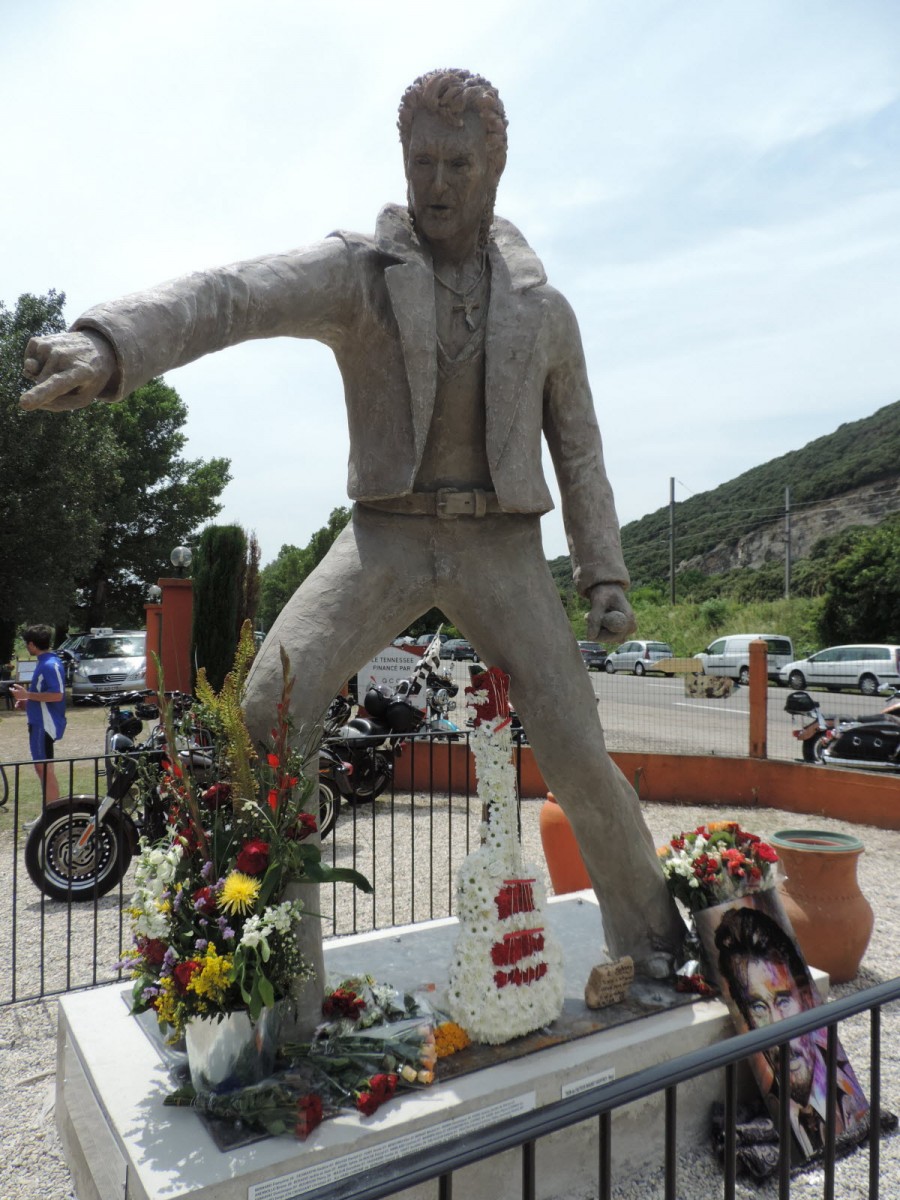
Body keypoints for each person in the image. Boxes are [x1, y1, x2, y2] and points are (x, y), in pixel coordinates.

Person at [17, 68, 685, 1011]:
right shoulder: (360, 275)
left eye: (460, 161)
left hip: (502, 546)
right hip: (383, 537)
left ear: (497, 163)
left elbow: (580, 452)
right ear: (402, 162)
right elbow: (230, 295)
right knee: (268, 702)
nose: (439, 182)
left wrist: (605, 576)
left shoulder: (545, 310)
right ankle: (280, 979)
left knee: (577, 748)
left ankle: (660, 943)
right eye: (423, 162)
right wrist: (111, 345)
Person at [715, 904, 868, 1157]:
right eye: (758, 1007)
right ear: (747, 1018)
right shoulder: (776, 1106)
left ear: (807, 999)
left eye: (783, 1001)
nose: (776, 1023)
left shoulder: (849, 1096)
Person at [10, 624, 67, 804]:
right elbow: (46, 695)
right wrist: (28, 702)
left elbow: (57, 695)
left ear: (32, 644)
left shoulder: (50, 665)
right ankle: (49, 811)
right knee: (42, 768)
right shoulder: (44, 663)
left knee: (44, 769)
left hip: (45, 724)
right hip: (38, 721)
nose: (27, 647)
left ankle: (52, 814)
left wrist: (27, 695)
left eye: (27, 644)